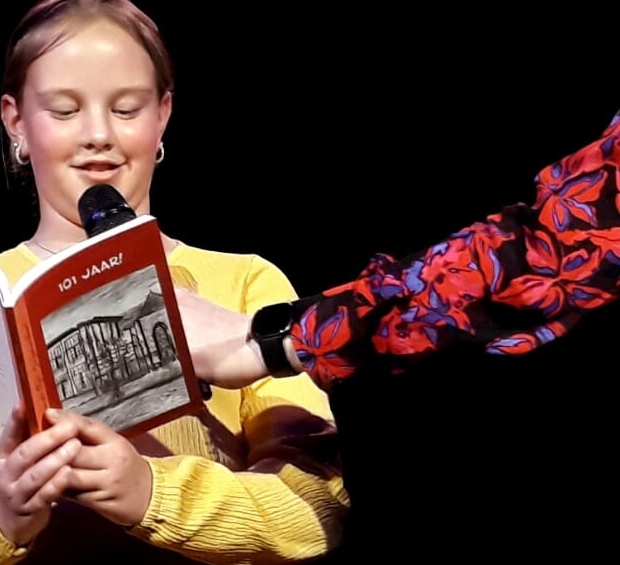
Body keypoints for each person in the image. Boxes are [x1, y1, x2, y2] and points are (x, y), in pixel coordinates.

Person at [0, 0, 349, 565]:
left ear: (163, 115)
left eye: (126, 108)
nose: (97, 137)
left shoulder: (243, 285)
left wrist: (149, 492)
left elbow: (318, 506)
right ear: (15, 122)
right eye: (62, 110)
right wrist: (2, 512)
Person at [176, 109, 619, 393]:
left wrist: (273, 341)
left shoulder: (249, 278)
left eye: (126, 109)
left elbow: (561, 251)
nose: (102, 135)